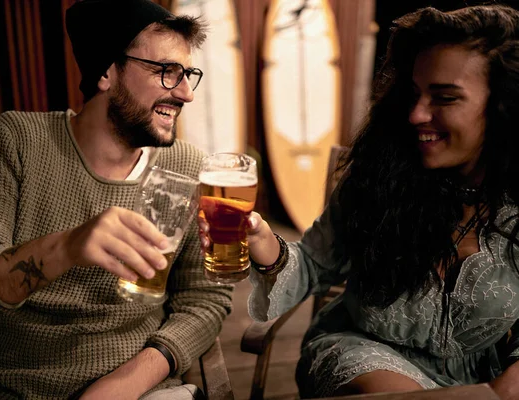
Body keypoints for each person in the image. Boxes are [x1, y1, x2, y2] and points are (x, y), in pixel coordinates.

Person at [200, 4, 519, 399]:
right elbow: (314, 264)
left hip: (479, 377)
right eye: (414, 94)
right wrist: (264, 243)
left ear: (506, 106)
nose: (417, 113)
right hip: (362, 353)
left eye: (445, 98)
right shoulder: (380, 177)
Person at [0, 0, 233, 399]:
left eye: (188, 74)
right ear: (106, 71)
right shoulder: (18, 141)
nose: (186, 93)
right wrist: (67, 247)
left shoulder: (188, 166)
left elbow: (205, 300)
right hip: (5, 387)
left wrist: (124, 384)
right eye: (166, 72)